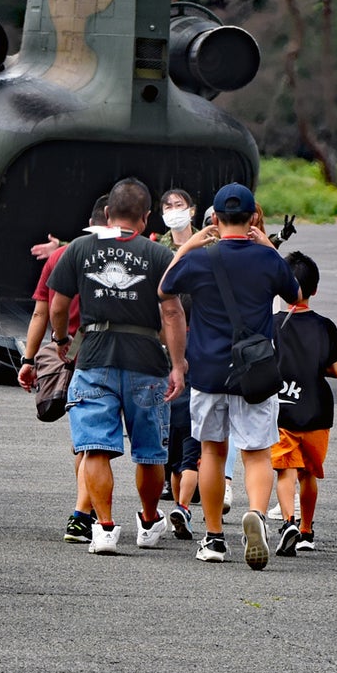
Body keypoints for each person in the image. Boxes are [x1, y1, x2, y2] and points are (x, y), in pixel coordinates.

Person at [159, 183, 300, 570]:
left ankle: (215, 537)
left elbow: (164, 287)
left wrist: (191, 244)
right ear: (254, 217)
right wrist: (271, 248)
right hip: (254, 373)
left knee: (211, 453)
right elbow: (296, 293)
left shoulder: (201, 259)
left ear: (216, 219)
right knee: (255, 454)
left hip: (207, 371)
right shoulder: (266, 260)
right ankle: (255, 513)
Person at [47, 178, 187, 556]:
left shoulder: (79, 248)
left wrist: (61, 340)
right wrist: (178, 364)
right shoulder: (158, 255)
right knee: (149, 452)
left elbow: (57, 304)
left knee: (95, 448)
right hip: (146, 361)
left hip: (94, 358)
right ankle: (148, 518)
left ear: (107, 214)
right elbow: (172, 312)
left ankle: (104, 527)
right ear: (145, 218)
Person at [17, 195, 109, 543]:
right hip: (105, 353)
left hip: (66, 353)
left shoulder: (61, 256)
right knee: (95, 443)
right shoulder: (125, 255)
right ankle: (83, 514)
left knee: (84, 441)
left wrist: (29, 360)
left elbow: (42, 311)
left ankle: (88, 511)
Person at [271, 252, 337, 556]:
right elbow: (336, 370)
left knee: (285, 471)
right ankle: (306, 530)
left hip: (282, 407)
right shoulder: (324, 326)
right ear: (315, 289)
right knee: (309, 474)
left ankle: (288, 520)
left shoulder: (273, 324)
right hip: (316, 411)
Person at [156, 188, 203, 537]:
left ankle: (181, 502)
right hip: (164, 354)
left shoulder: (209, 249)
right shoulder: (157, 251)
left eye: (179, 205)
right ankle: (178, 499)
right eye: (168, 206)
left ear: (192, 209)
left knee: (190, 432)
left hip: (199, 351)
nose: (174, 211)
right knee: (175, 432)